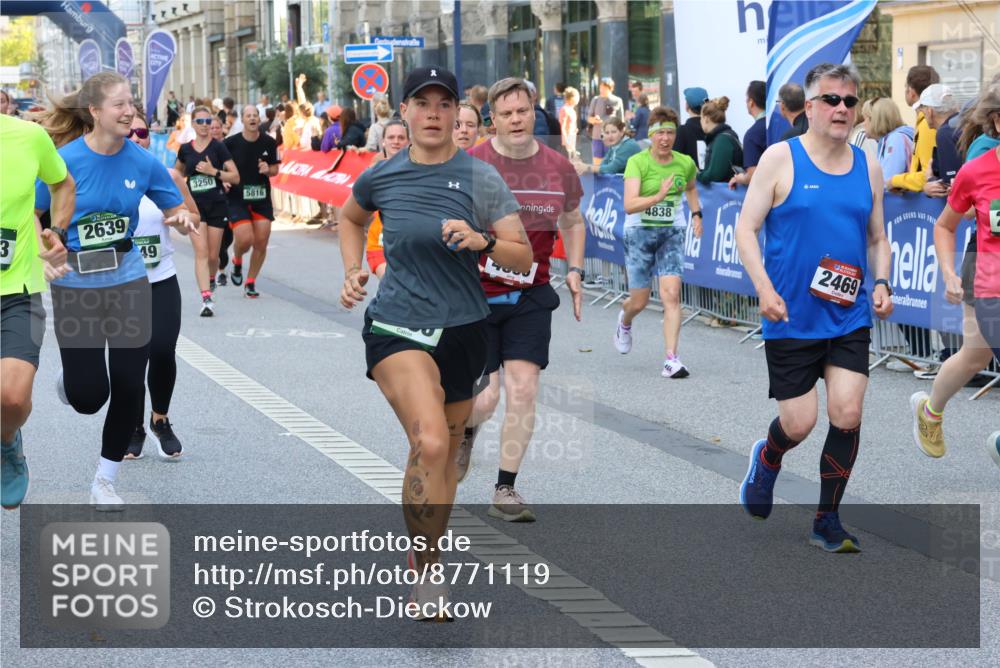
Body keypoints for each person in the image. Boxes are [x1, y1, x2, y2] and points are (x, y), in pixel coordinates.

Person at [338, 66, 531, 618]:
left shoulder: (481, 178)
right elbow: (350, 218)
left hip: (464, 330)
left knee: (443, 454)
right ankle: (427, 576)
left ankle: (427, 554)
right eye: (421, 104)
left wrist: (483, 239)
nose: (432, 114)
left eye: (443, 104)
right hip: (397, 325)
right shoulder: (383, 175)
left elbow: (523, 257)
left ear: (455, 115)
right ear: (405, 112)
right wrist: (353, 269)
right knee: (432, 444)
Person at [734, 63, 893, 553]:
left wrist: (883, 281)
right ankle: (769, 457)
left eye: (850, 100)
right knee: (800, 422)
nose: (842, 108)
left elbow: (878, 236)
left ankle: (828, 519)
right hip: (790, 315)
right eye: (831, 100)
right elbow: (745, 229)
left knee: (846, 413)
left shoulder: (867, 163)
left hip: (847, 315)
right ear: (810, 108)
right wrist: (763, 288)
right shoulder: (782, 158)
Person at [35, 72, 197, 509]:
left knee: (129, 383)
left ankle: (104, 480)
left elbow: (174, 205)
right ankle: (73, 382)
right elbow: (33, 213)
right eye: (119, 105)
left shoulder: (142, 161)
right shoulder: (61, 161)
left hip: (128, 280)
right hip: (75, 285)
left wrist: (181, 217)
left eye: (132, 103)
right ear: (94, 112)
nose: (129, 112)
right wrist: (44, 249)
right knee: (90, 397)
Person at [459, 77, 586, 521]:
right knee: (486, 400)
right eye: (506, 114)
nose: (516, 120)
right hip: (476, 294)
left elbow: (572, 219)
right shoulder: (473, 163)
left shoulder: (557, 166)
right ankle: (466, 429)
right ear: (493, 119)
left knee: (524, 389)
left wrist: (574, 268)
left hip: (532, 292)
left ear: (534, 111)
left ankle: (505, 489)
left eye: (523, 111)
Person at [910, 96, 1000, 467]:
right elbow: (946, 225)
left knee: (974, 355)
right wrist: (949, 273)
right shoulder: (977, 171)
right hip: (991, 288)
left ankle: (930, 412)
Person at [0, 113, 74, 509]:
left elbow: (62, 183)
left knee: (11, 398)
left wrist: (57, 231)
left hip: (17, 291)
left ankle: (7, 440)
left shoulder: (28, 136)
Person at [125, 110, 200, 459]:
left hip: (161, 279)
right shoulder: (100, 180)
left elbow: (191, 216)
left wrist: (183, 218)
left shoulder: (167, 176)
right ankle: (134, 427)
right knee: (132, 357)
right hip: (121, 284)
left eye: (141, 131)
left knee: (162, 349)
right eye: (128, 131)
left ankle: (160, 419)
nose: (136, 137)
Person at [616, 106, 703, 377]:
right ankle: (625, 320)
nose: (665, 139)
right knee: (639, 302)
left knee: (672, 295)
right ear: (651, 135)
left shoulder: (685, 163)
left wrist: (697, 213)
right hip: (639, 232)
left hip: (671, 232)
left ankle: (671, 359)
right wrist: (657, 196)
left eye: (670, 133)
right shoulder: (638, 162)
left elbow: (690, 187)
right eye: (660, 133)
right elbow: (629, 205)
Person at [174, 105, 240, 316]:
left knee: (213, 256)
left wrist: (214, 172)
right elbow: (175, 175)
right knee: (201, 252)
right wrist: (180, 197)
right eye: (199, 122)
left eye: (207, 122)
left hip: (217, 205)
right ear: (192, 124)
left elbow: (235, 177)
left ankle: (211, 279)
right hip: (196, 207)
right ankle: (206, 298)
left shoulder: (218, 147)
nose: (204, 126)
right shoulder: (185, 149)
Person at [224, 105, 281, 298]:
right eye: (248, 116)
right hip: (237, 198)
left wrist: (268, 169)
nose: (252, 118)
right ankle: (237, 259)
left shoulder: (269, 142)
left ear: (259, 118)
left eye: (255, 115)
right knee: (245, 239)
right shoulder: (230, 143)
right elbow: (220, 166)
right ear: (242, 119)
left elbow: (275, 170)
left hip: (261, 197)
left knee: (261, 242)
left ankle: (250, 281)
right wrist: (223, 179)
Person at [365, 120, 410, 279]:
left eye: (400, 137)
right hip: (380, 244)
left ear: (409, 141)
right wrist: (353, 269)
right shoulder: (374, 172)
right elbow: (353, 216)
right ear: (383, 141)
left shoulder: (421, 171)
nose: (396, 141)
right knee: (393, 289)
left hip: (413, 247)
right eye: (391, 137)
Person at [889, 65, 940, 193]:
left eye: (906, 87)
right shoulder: (925, 122)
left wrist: (894, 181)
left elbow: (927, 175)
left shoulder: (927, 125)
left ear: (911, 92)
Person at [915, 84, 962, 194]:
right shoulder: (962, 123)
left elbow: (952, 184)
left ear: (929, 111)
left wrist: (930, 181)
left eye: (922, 110)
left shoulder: (945, 132)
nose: (922, 114)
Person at [861, 97, 914, 184]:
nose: (863, 123)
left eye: (865, 118)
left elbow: (885, 180)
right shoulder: (893, 139)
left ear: (875, 120)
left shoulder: (895, 140)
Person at [729, 81, 768, 189]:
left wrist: (740, 178)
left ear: (751, 102)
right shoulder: (782, 124)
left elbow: (753, 176)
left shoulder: (752, 134)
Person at [696, 97, 743, 184]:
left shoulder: (722, 140)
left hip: (726, 195)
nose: (700, 121)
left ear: (706, 118)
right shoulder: (725, 136)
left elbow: (715, 175)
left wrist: (697, 175)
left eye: (701, 118)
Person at [574, 118, 640, 176]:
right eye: (607, 133)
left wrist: (587, 168)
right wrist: (582, 168)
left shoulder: (629, 146)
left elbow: (611, 169)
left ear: (622, 132)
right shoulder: (615, 146)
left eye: (614, 132)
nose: (610, 136)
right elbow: (603, 166)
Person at [586, 77, 625, 163]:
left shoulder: (617, 101)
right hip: (597, 137)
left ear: (611, 89)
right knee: (597, 163)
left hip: (612, 138)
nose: (601, 90)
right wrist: (594, 120)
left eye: (604, 88)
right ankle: (597, 176)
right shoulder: (595, 100)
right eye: (600, 88)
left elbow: (621, 122)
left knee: (611, 162)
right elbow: (588, 118)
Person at [673, 86, 708, 167]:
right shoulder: (714, 128)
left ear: (687, 106)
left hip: (690, 178)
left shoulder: (682, 131)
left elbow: (675, 161)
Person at [559, 87, 580, 159]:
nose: (578, 98)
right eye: (576, 96)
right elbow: (563, 127)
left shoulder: (572, 110)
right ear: (571, 98)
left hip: (572, 141)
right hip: (567, 142)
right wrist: (566, 142)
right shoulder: (564, 109)